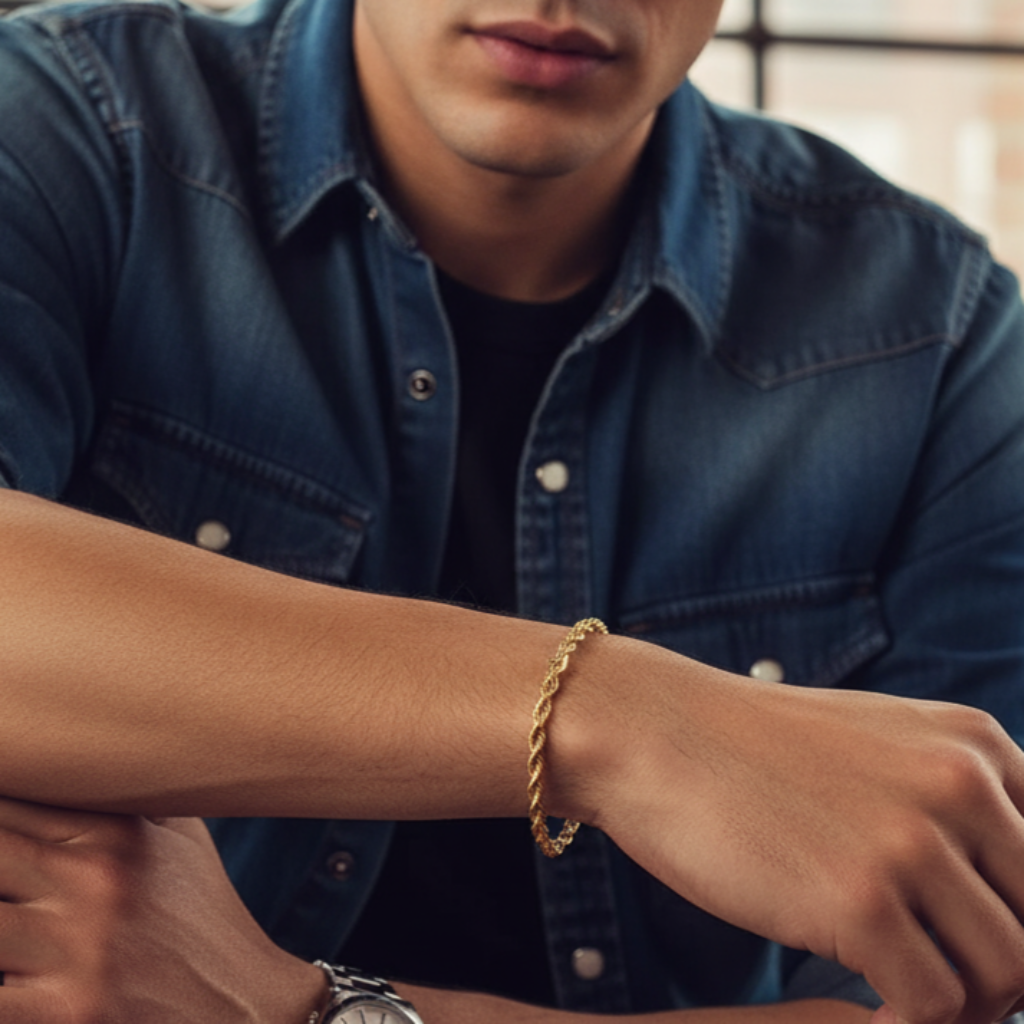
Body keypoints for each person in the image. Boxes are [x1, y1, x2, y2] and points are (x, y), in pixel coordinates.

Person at [0, 0, 1023, 1022]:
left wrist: (310, 1010)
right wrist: (629, 723)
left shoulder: (937, 337)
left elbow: (963, 991)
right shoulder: (72, 123)